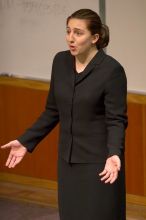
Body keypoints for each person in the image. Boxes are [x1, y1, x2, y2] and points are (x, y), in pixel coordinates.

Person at [1, 9, 128, 220]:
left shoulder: (111, 71)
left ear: (95, 38)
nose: (70, 38)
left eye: (78, 33)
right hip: (67, 162)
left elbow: (116, 119)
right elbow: (52, 110)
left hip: (100, 163)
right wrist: (26, 141)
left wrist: (114, 152)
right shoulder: (60, 62)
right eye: (68, 31)